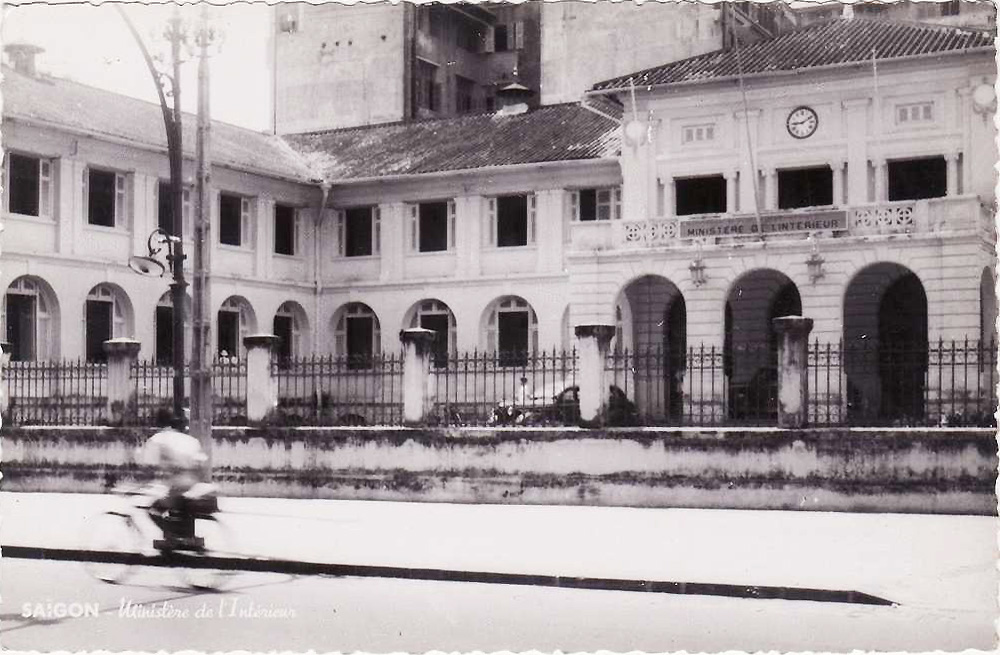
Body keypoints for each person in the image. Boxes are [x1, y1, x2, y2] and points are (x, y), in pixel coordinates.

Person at [141, 417, 211, 548]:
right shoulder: (191, 440)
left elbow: (149, 465)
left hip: (177, 483)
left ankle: (171, 537)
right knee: (184, 508)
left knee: (154, 510)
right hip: (193, 482)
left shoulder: (159, 439)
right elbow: (201, 462)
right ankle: (188, 536)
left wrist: (143, 483)